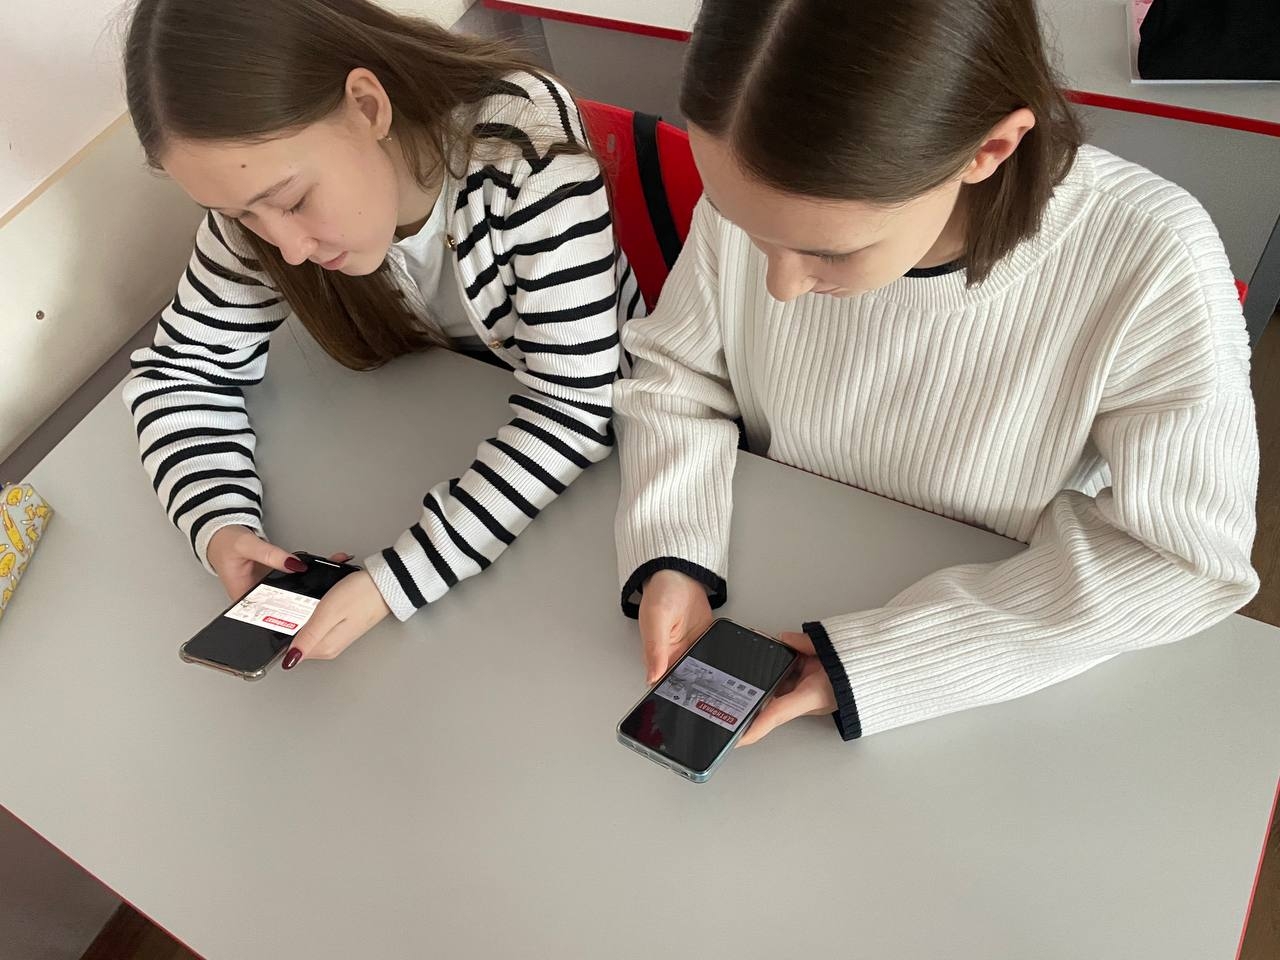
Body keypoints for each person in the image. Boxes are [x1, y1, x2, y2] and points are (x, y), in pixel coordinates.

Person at [615, 0, 1259, 744]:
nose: (780, 289)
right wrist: (673, 553)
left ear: (989, 150)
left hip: (980, 680)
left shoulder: (1152, 256)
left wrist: (879, 663)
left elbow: (1185, 558)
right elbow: (677, 376)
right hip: (766, 569)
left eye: (830, 251)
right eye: (747, 229)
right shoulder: (760, 176)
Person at [122, 0, 640, 667]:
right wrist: (217, 520)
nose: (287, 248)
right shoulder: (259, 204)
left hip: (613, 468)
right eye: (238, 215)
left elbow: (576, 407)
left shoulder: (524, 149)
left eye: (293, 201)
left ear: (367, 107)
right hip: (444, 435)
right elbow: (177, 371)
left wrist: (392, 582)